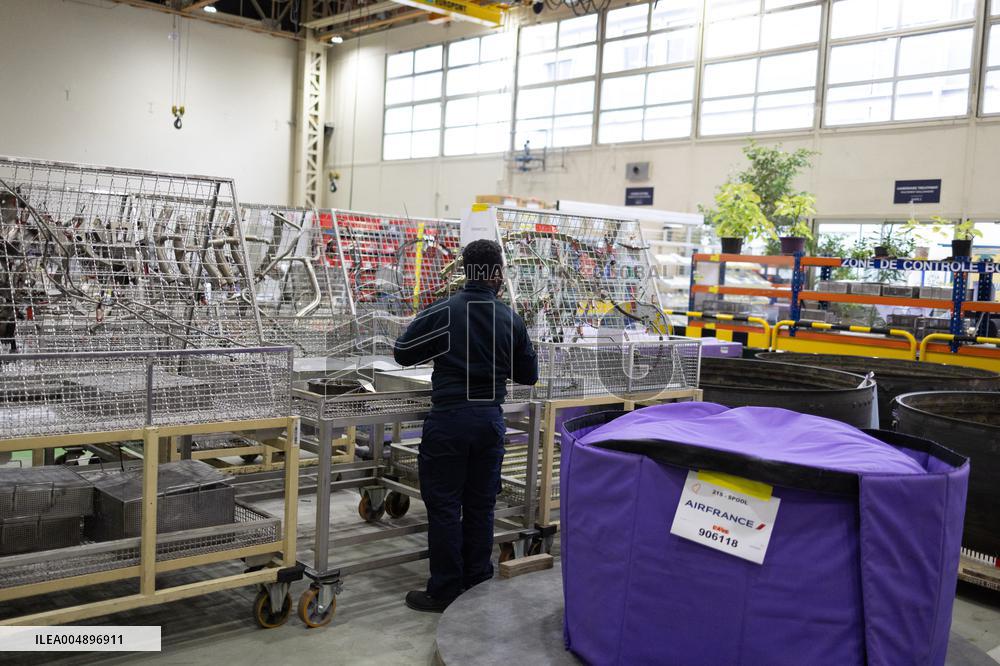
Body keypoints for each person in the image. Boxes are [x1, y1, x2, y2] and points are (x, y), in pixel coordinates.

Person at [393, 238, 538, 612]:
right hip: (490, 422)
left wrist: (443, 348)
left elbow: (403, 352)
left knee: (444, 506)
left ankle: (444, 591)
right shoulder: (510, 318)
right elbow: (529, 374)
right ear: (497, 275)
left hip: (451, 421)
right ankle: (477, 581)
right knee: (480, 505)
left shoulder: (445, 311)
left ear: (465, 270)